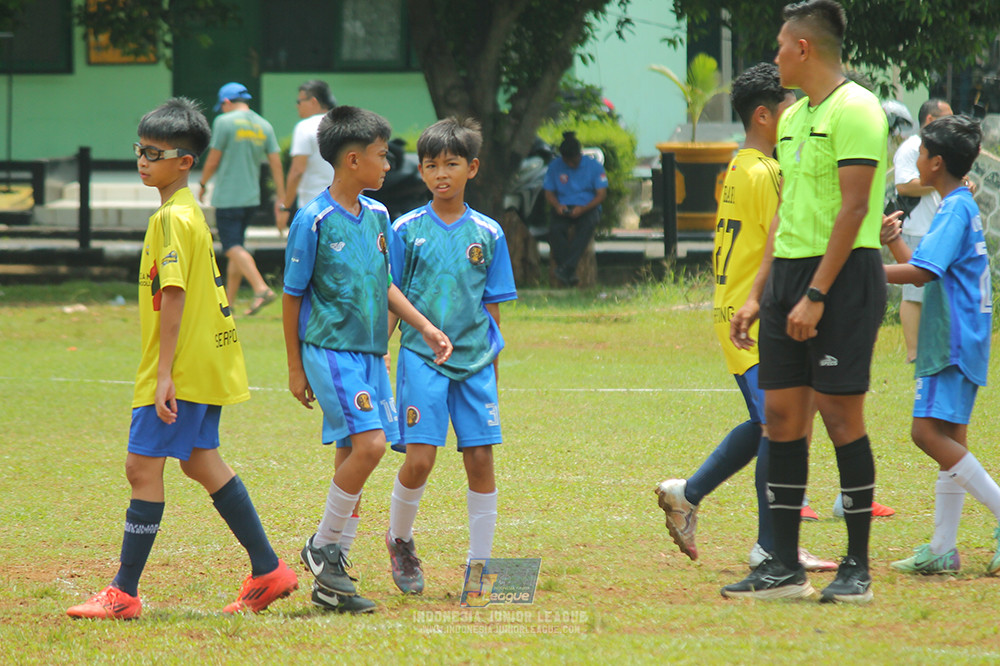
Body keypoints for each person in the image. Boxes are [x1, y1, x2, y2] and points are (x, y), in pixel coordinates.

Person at [66, 98, 298, 620]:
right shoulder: (188, 213)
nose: (143, 160)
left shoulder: (172, 218)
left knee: (140, 467)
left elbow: (173, 294)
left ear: (185, 161)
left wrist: (164, 373)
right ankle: (269, 569)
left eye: (154, 152)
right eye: (139, 150)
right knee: (200, 462)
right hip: (206, 362)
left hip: (182, 368)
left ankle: (123, 593)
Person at [723, 0, 888, 604]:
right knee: (783, 418)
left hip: (842, 280)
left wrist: (817, 294)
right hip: (788, 279)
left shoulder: (859, 110)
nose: (774, 55)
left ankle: (856, 569)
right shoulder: (789, 118)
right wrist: (759, 292)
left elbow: (852, 208)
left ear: (804, 48)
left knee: (843, 419)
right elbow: (786, 214)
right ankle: (784, 567)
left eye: (779, 44)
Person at [655, 64, 839, 573]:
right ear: (764, 114)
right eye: (789, 108)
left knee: (772, 425)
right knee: (783, 429)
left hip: (736, 313)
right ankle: (771, 545)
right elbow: (790, 246)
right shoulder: (770, 172)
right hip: (754, 320)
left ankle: (688, 495)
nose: (798, 115)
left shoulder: (741, 166)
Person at [282, 105, 453, 613]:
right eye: (383, 156)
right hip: (330, 351)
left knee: (351, 457)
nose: (389, 164)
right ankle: (320, 546)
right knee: (373, 447)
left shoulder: (379, 217)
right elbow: (291, 297)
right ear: (352, 160)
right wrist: (294, 367)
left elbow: (383, 284)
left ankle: (332, 580)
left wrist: (423, 325)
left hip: (370, 354)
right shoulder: (313, 220)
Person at [383, 117, 518, 594]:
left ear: (472, 168)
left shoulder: (489, 233)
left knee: (480, 457)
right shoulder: (404, 229)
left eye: (452, 164)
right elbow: (391, 293)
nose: (442, 174)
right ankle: (399, 540)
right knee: (420, 459)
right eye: (432, 165)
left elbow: (493, 307)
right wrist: (381, 352)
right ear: (421, 172)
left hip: (476, 364)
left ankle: (479, 569)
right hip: (421, 359)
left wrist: (494, 369)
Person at [882, 116, 1000, 575]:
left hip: (950, 339)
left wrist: (860, 272)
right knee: (951, 438)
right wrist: (894, 246)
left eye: (921, 153)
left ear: (935, 163)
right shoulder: (958, 205)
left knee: (925, 434)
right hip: (963, 336)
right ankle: (943, 548)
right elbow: (927, 266)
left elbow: (926, 274)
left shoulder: (954, 208)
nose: (916, 160)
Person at [199, 82, 286, 316]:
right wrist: (281, 197)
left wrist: (202, 183)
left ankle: (261, 288)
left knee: (231, 247)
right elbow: (276, 163)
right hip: (250, 198)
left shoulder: (224, 122)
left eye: (222, 106)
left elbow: (213, 159)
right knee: (238, 247)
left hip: (228, 196)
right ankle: (229, 302)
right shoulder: (263, 125)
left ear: (226, 102)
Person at [892, 98, 954, 363]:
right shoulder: (911, 148)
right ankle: (914, 352)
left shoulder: (944, 149)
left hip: (940, 228)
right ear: (930, 120)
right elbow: (904, 186)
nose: (951, 122)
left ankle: (937, 347)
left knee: (941, 292)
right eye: (947, 117)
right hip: (917, 229)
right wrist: (939, 181)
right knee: (914, 293)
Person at [543, 131, 608, 286]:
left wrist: (583, 209)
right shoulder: (554, 167)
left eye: (575, 160)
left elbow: (601, 195)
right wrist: (558, 206)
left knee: (586, 227)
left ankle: (567, 267)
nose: (573, 164)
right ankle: (568, 269)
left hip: (587, 207)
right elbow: (548, 192)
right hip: (564, 206)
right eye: (569, 162)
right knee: (555, 229)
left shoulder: (594, 167)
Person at [278, 80, 337, 224]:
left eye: (299, 101)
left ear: (313, 102)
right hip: (343, 204)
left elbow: (297, 171)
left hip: (313, 206)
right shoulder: (341, 124)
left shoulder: (305, 127)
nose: (297, 106)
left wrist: (285, 208)